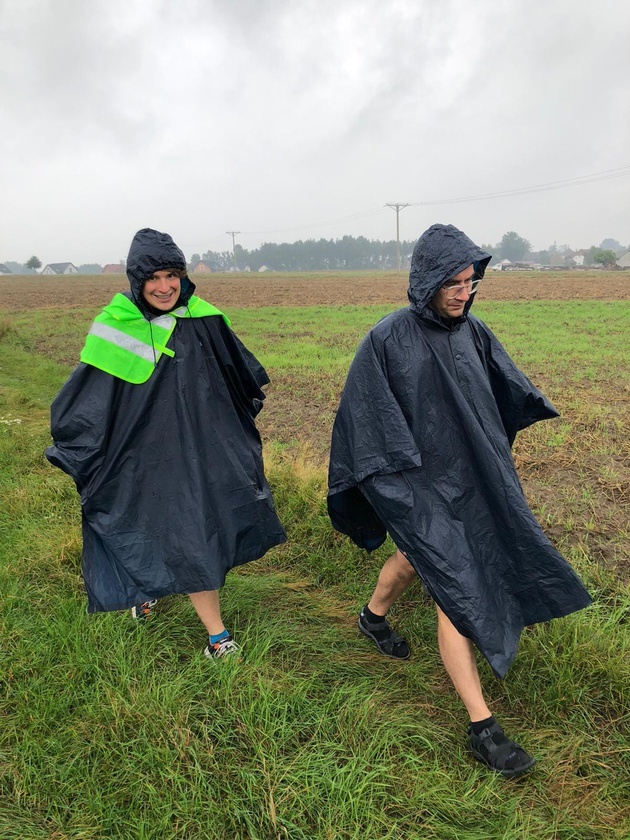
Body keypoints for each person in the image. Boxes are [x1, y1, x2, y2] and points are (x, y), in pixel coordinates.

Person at [327, 223, 591, 777]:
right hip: (420, 487)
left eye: (470, 281)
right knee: (457, 582)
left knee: (419, 560)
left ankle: (373, 618)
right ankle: (482, 727)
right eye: (452, 281)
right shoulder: (386, 341)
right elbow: (366, 423)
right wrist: (401, 492)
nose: (463, 292)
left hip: (473, 477)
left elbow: (502, 393)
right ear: (426, 279)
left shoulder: (473, 332)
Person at [46, 228, 286, 658]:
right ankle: (176, 608)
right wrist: (81, 448)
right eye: (152, 277)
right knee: (144, 523)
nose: (164, 286)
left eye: (172, 275)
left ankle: (212, 631)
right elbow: (87, 399)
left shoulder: (204, 317)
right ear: (136, 280)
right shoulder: (115, 325)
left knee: (194, 529)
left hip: (201, 449)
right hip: (139, 454)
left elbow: (240, 377)